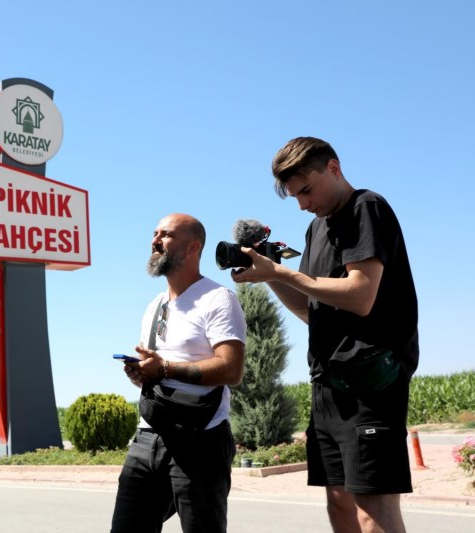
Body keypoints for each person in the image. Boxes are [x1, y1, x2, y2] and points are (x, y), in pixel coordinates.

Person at [231, 137, 419, 533]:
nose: (302, 203)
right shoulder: (317, 229)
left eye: (306, 190)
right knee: (339, 503)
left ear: (333, 168)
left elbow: (361, 295)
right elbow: (311, 312)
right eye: (294, 196)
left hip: (370, 385)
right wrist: (269, 277)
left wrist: (282, 272)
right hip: (328, 386)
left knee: (373, 508)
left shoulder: (365, 207)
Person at [111, 213, 247, 533]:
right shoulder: (154, 305)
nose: (155, 240)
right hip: (148, 435)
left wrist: (165, 368)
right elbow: (157, 367)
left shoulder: (217, 298)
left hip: (201, 438)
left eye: (166, 235)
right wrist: (143, 373)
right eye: (155, 233)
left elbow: (231, 368)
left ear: (192, 247)